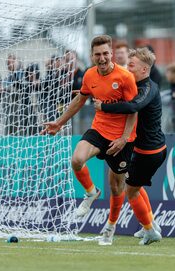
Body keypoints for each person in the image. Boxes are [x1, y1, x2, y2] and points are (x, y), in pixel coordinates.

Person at [41, 35, 138, 246]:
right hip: (99, 130)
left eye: (105, 53)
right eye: (97, 54)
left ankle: (110, 228)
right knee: (76, 160)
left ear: (111, 54)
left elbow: (133, 110)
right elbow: (80, 99)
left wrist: (123, 138)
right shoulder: (89, 75)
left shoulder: (125, 77)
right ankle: (91, 192)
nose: (101, 58)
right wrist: (59, 122)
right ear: (92, 56)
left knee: (116, 186)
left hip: (122, 138)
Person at [94, 47, 166, 245]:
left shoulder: (147, 88)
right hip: (143, 150)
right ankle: (150, 224)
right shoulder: (134, 85)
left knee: (131, 190)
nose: (127, 68)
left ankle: (151, 231)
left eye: (131, 65)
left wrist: (104, 107)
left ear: (144, 70)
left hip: (150, 151)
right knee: (134, 184)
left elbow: (133, 106)